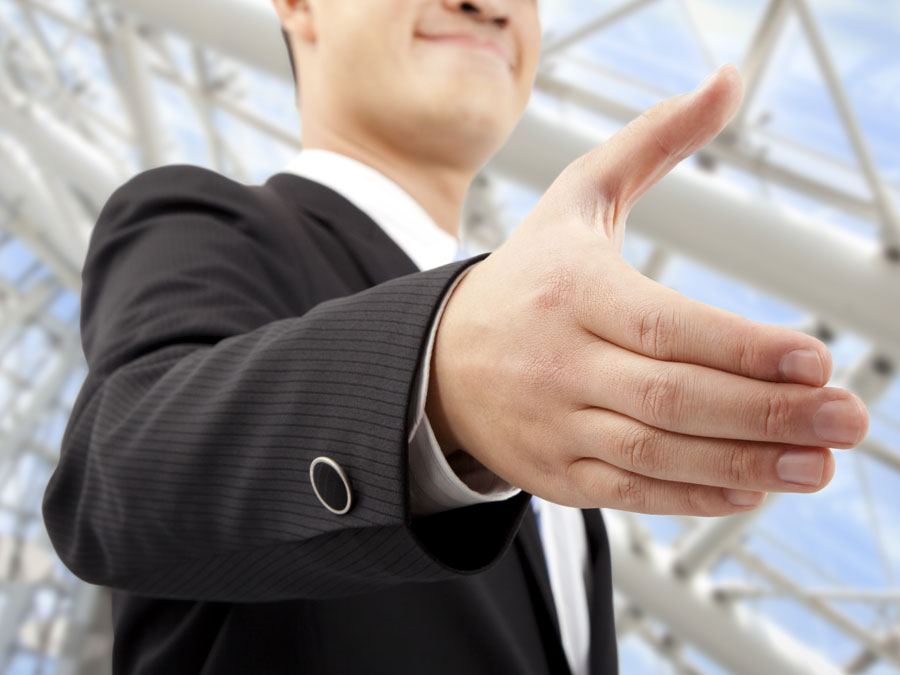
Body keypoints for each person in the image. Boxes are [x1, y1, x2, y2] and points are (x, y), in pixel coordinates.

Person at [43, 0, 870, 673]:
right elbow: (115, 477)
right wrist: (434, 383)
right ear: (296, 6)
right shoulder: (202, 220)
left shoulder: (563, 458)